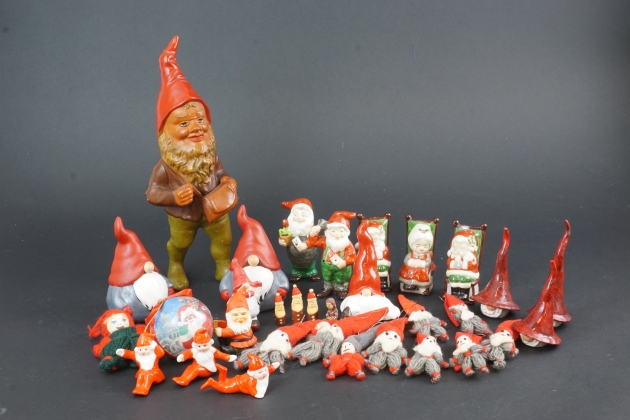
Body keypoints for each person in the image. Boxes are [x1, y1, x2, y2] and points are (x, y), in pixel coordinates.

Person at [146, 36, 235, 290]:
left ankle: (223, 265)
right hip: (183, 215)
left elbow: (220, 171)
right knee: (180, 243)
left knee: (224, 239)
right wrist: (174, 196)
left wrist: (226, 180)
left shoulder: (209, 155)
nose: (195, 128)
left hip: (215, 209)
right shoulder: (165, 167)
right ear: (166, 133)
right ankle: (175, 264)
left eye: (200, 120)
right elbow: (152, 193)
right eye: (184, 123)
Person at [307, 211, 357, 298]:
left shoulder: (347, 244)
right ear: (328, 232)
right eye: (333, 231)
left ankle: (341, 289)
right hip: (327, 265)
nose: (337, 234)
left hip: (342, 268)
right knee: (327, 277)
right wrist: (313, 234)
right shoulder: (325, 241)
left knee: (341, 278)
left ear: (346, 232)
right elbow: (314, 242)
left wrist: (345, 262)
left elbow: (352, 255)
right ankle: (327, 288)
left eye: (341, 231)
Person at [398, 224, 435, 295]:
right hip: (410, 269)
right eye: (417, 246)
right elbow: (406, 260)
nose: (421, 248)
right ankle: (409, 285)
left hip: (422, 270)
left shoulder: (427, 255)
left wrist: (421, 264)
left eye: (425, 246)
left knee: (422, 277)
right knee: (408, 274)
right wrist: (411, 262)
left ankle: (421, 287)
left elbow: (428, 263)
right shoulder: (410, 254)